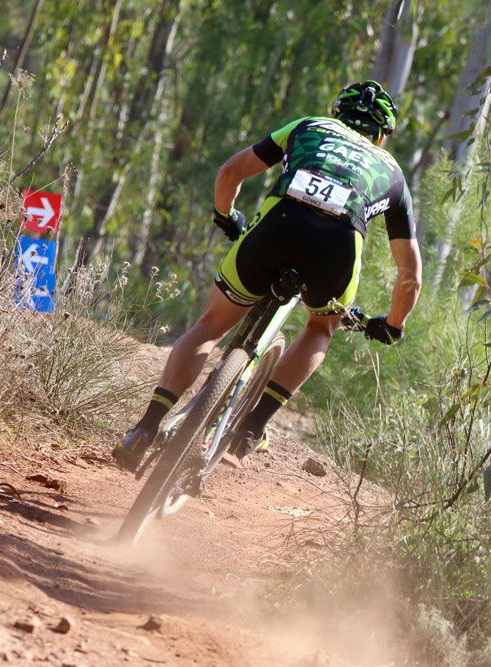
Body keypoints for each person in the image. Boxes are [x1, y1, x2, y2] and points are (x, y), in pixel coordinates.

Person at [112, 80, 422, 471]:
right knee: (320, 329)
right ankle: (251, 429)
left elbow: (230, 172)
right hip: (336, 251)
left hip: (277, 227)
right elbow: (410, 272)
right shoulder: (392, 172)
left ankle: (146, 426)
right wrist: (393, 325)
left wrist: (225, 216)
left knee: (210, 325)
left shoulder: (310, 126)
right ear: (381, 135)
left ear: (337, 114)